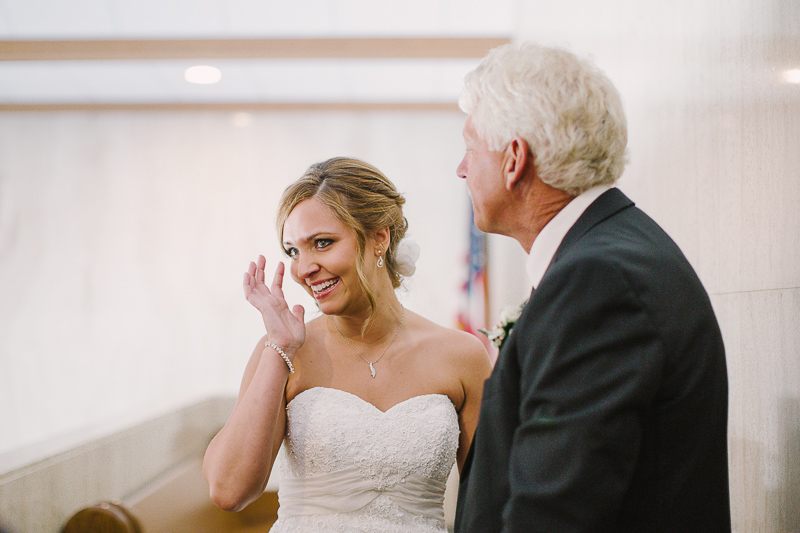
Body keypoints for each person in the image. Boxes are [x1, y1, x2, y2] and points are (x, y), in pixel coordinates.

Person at [453, 42, 731, 532]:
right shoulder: (613, 252)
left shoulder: (598, 281)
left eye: (470, 148)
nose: (461, 168)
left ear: (514, 158)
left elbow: (554, 511)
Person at [203, 157, 492, 532]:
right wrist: (279, 349)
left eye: (322, 243)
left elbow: (490, 503)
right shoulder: (282, 351)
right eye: (293, 251)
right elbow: (229, 491)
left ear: (379, 238)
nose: (303, 268)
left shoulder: (462, 356)